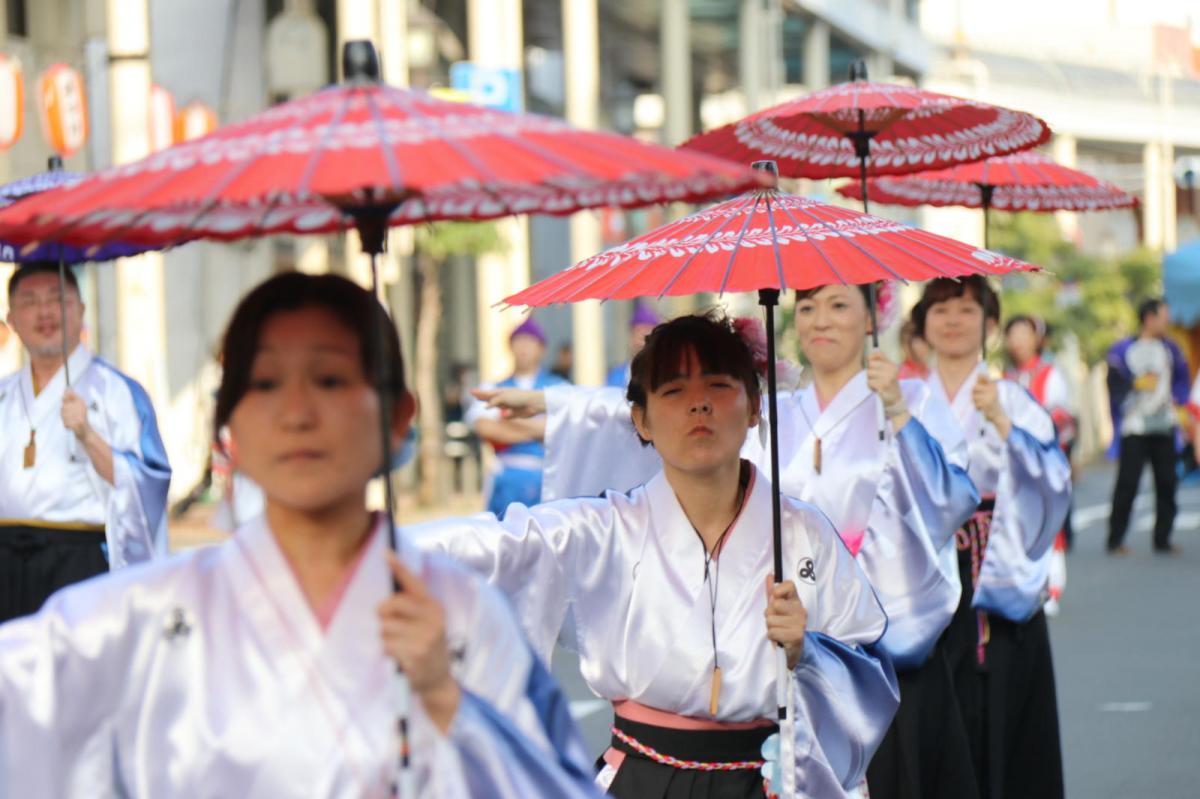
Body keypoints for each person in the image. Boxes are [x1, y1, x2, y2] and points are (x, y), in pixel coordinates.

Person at [0, 272, 598, 798]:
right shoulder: (135, 619)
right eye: (264, 384)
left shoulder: (463, 614)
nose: (297, 413)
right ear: (229, 423)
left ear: (398, 416)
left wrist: (446, 700)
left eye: (330, 380)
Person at [477, 287, 980, 799]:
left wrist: (808, 648)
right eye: (808, 308)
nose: (820, 321)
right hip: (648, 765)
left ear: (872, 318)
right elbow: (659, 411)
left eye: (837, 305)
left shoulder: (906, 404)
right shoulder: (780, 412)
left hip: (809, 645)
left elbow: (948, 501)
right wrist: (555, 404)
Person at [912, 276, 1072, 799]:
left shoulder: (1014, 400)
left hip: (997, 565)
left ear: (991, 324)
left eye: (967, 309)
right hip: (925, 571)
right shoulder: (907, 400)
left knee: (1004, 708)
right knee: (932, 708)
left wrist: (1003, 422)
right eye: (941, 310)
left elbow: (1053, 482)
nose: (953, 320)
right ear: (922, 324)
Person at [0, 262, 170, 622]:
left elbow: (148, 485)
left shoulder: (116, 391)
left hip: (79, 561)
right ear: (12, 319)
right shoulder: (4, 394)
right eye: (29, 302)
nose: (45, 312)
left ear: (80, 310)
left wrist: (87, 436)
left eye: (57, 299)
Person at [1105, 298, 1189, 555]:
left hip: (1164, 425)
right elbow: (1114, 383)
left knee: (1167, 482)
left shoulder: (1171, 349)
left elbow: (1182, 381)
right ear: (1150, 318)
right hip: (1135, 426)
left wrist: (1179, 405)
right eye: (1164, 317)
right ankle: (1116, 539)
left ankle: (1162, 538)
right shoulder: (1123, 350)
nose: (1167, 322)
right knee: (1127, 483)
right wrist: (1133, 384)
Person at [1004, 315, 1075, 612]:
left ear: (1036, 339)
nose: (1018, 341)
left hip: (1044, 461)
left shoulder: (1050, 374)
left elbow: (1062, 417)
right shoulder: (1005, 378)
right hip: (1013, 464)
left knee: (1049, 524)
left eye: (1024, 334)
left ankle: (1051, 586)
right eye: (1013, 334)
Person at [465, 317, 568, 516]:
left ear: (542, 348)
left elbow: (563, 427)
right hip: (505, 481)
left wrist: (507, 421)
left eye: (530, 342)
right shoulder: (492, 388)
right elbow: (484, 427)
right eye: (519, 341)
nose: (524, 348)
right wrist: (540, 430)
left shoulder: (560, 388)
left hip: (546, 479)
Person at [606, 302, 660, 387]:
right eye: (638, 332)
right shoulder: (616, 375)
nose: (642, 339)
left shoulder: (663, 373)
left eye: (647, 333)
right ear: (631, 337)